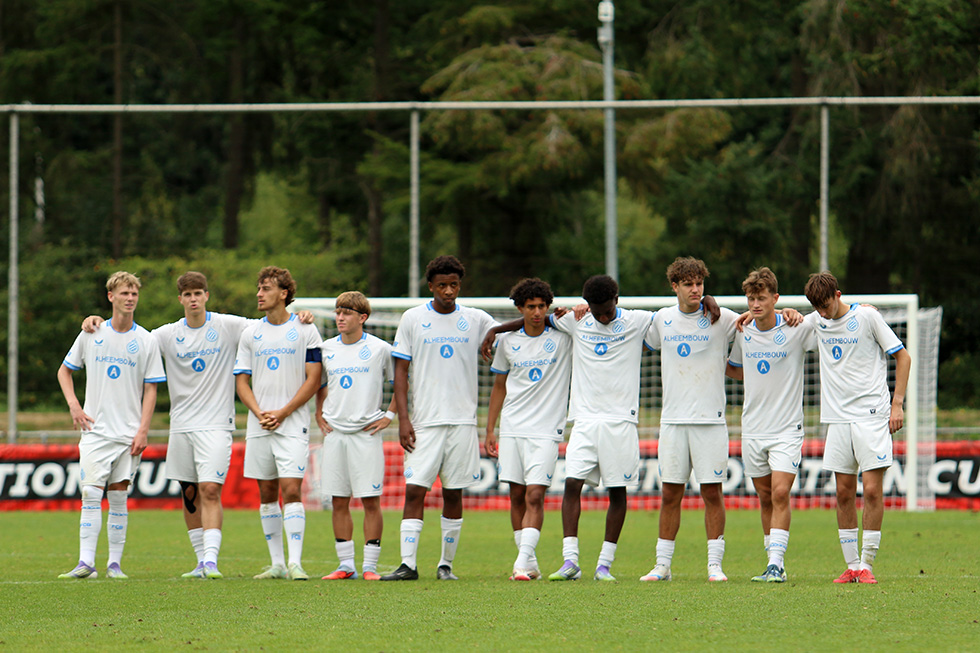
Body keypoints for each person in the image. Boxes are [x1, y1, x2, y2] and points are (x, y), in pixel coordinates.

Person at [81, 272, 316, 580]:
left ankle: (212, 561)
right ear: (180, 299)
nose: (193, 299)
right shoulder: (165, 335)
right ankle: (199, 562)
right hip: (181, 426)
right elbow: (131, 336)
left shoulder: (229, 326)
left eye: (198, 293)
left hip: (216, 425)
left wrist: (299, 315)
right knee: (189, 492)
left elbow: (270, 325)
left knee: (209, 489)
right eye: (187, 294)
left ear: (207, 296)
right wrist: (96, 321)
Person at [381, 255, 499, 581]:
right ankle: (408, 565)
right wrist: (403, 420)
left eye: (454, 285)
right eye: (442, 285)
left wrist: (498, 333)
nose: (449, 291)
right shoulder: (413, 318)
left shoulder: (475, 319)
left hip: (462, 421)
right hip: (425, 421)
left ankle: (446, 565)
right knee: (415, 490)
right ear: (430, 286)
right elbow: (400, 373)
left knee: (454, 493)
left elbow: (508, 329)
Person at [57, 271, 166, 579]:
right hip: (95, 431)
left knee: (118, 495)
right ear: (111, 297)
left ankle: (114, 564)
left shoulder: (146, 340)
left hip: (128, 433)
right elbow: (64, 372)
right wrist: (74, 406)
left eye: (134, 293)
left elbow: (151, 388)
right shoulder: (93, 332)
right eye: (124, 293)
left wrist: (144, 429)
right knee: (91, 493)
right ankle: (86, 563)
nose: (130, 298)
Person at [803, 272, 910, 584]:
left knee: (873, 491)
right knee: (843, 492)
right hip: (837, 420)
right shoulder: (815, 320)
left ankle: (868, 564)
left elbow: (903, 357)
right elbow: (775, 316)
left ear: (838, 294)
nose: (823, 313)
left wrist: (897, 404)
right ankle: (851, 566)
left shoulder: (866, 317)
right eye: (817, 308)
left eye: (826, 305)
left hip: (872, 416)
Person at [641, 257, 738, 583]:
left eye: (699, 283)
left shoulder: (722, 319)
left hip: (710, 422)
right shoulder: (661, 320)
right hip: (672, 422)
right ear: (675, 287)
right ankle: (662, 566)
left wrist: (791, 314)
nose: (695, 289)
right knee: (670, 494)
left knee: (712, 493)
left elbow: (759, 318)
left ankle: (714, 565)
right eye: (688, 284)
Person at [726, 267, 816, 583]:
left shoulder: (796, 327)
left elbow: (827, 323)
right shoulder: (743, 330)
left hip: (787, 428)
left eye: (762, 298)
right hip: (752, 427)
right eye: (751, 298)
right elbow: (735, 369)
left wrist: (796, 312)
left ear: (775, 299)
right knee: (765, 497)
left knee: (780, 492)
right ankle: (771, 561)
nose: (755, 304)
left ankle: (777, 563)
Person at [234, 266, 323, 581]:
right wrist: (260, 413)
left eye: (266, 288)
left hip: (291, 423)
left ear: (284, 293)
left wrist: (283, 412)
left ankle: (296, 562)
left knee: (291, 489)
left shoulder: (305, 329)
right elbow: (241, 381)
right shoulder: (250, 333)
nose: (259, 293)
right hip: (260, 423)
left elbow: (314, 379)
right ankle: (277, 564)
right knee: (267, 491)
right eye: (258, 288)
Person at [485, 278, 572, 581]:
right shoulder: (508, 343)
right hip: (512, 428)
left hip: (546, 430)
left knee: (536, 494)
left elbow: (582, 318)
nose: (537, 312)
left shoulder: (563, 338)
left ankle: (521, 563)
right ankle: (530, 562)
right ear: (520, 308)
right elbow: (499, 387)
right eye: (530, 307)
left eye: (541, 306)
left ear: (548, 307)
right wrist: (490, 429)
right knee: (517, 496)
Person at [315, 291, 396, 581]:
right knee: (338, 500)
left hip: (366, 434)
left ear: (362, 318)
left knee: (370, 500)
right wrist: (319, 411)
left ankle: (370, 567)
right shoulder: (325, 348)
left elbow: (401, 382)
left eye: (347, 313)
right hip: (335, 434)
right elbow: (319, 383)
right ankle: (345, 565)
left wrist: (389, 415)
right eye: (338, 312)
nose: (340, 318)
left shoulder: (379, 349)